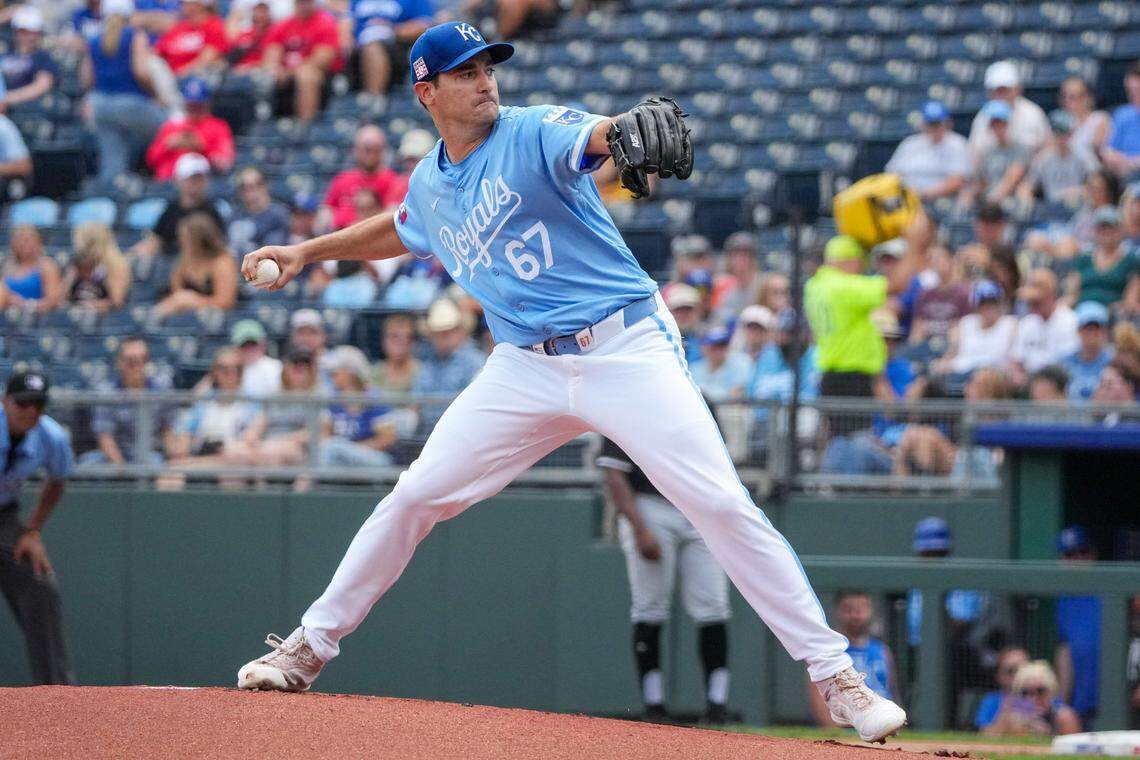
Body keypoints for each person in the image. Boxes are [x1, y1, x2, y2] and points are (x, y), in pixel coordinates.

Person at [236, 21, 907, 743]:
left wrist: (618, 132)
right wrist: (307, 250)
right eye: (465, 72)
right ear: (425, 92)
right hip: (525, 366)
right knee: (416, 495)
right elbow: (402, 227)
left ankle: (836, 675)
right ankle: (309, 647)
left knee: (718, 501)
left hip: (624, 346)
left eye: (489, 65)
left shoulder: (531, 131)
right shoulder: (431, 183)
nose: (485, 79)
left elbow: (595, 135)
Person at [597, 436, 733, 724]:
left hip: (697, 504)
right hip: (649, 504)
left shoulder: (700, 399)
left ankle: (717, 703)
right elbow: (614, 474)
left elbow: (718, 463)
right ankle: (653, 703)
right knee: (650, 607)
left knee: (714, 607)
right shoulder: (625, 402)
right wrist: (639, 528)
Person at [804, 228, 928, 421]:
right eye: (859, 262)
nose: (861, 269)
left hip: (831, 373)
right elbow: (898, 284)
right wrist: (914, 245)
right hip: (850, 376)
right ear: (847, 261)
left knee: (840, 438)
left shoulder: (815, 285)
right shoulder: (842, 286)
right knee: (852, 441)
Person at [0, 371, 76, 684]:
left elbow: (58, 481)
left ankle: (56, 693)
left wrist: (32, 531)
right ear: (5, 401)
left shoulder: (51, 436)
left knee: (39, 581)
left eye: (38, 404)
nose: (31, 410)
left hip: (4, 516)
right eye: (23, 403)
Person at [908, 517, 1008, 728]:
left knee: (953, 661)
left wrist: (940, 604)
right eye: (928, 553)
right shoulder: (912, 585)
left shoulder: (961, 582)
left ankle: (960, 725)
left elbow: (959, 625)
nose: (933, 558)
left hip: (960, 655)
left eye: (939, 553)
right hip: (916, 654)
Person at [83, 0, 168, 189]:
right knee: (170, 131)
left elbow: (87, 79)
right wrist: (156, 95)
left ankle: (114, 195)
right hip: (131, 103)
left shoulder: (94, 38)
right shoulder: (134, 35)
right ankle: (164, 183)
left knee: (112, 163)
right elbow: (141, 72)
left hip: (101, 105)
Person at [808, 591, 898, 727]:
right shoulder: (828, 651)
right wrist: (835, 734)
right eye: (848, 609)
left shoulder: (882, 650)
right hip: (849, 727)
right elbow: (818, 696)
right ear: (838, 612)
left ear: (871, 611)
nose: (856, 615)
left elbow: (892, 691)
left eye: (862, 609)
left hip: (883, 721)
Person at [80, 337, 175, 465]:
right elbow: (105, 438)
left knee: (158, 464)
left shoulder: (162, 390)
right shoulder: (106, 392)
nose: (138, 366)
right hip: (115, 453)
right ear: (120, 362)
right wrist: (122, 472)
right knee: (87, 463)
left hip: (149, 454)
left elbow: (167, 431)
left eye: (143, 360)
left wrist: (174, 459)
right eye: (131, 361)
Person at [411, 297, 486, 434]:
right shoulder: (429, 363)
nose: (443, 336)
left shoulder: (475, 362)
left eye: (448, 330)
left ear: (460, 330)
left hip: (460, 432)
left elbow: (475, 408)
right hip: (426, 433)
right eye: (438, 332)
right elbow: (415, 404)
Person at [131, 152, 227, 258]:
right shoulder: (171, 209)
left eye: (199, 178)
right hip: (170, 263)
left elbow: (220, 245)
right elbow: (156, 239)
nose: (195, 183)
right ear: (177, 180)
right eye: (190, 178)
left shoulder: (211, 211)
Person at [261, 0, 342, 125]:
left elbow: (322, 59)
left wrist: (290, 72)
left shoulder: (325, 23)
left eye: (307, 2)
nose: (303, 6)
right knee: (265, 76)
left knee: (306, 75)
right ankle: (264, 127)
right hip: (285, 73)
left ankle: (305, 126)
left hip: (319, 75)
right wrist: (275, 69)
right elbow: (271, 54)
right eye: (300, 3)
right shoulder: (283, 25)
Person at [319, 346, 397, 469]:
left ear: (350, 373)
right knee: (329, 450)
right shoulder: (333, 399)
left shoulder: (375, 399)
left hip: (374, 457)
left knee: (334, 447)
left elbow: (386, 440)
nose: (331, 376)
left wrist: (351, 449)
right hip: (338, 457)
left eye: (335, 372)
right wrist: (345, 451)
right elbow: (324, 434)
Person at [1054, 526, 1101, 730]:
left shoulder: (1111, 589)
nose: (1077, 559)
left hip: (1119, 700)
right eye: (1070, 554)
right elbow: (1066, 653)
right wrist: (1062, 703)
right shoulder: (1063, 600)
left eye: (1083, 552)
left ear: (1093, 555)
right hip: (1082, 705)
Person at [146, 77, 235, 182]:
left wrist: (202, 148)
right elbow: (150, 161)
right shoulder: (172, 126)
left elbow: (225, 163)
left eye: (198, 106)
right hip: (167, 184)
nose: (194, 109)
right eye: (190, 105)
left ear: (207, 104)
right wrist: (168, 145)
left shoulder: (218, 127)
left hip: (203, 186)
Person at [153, 212, 238, 317]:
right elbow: (177, 293)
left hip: (219, 317)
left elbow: (226, 302)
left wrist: (194, 300)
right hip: (188, 315)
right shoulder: (184, 259)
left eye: (185, 238)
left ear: (200, 239)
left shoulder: (222, 261)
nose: (180, 242)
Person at [885, 100, 971, 201]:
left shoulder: (956, 143)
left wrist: (922, 195)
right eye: (930, 123)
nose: (934, 128)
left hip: (941, 201)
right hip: (907, 199)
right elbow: (892, 174)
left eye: (937, 124)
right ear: (923, 124)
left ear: (947, 123)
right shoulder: (910, 143)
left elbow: (957, 181)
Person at [344, 0, 433, 96]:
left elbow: (424, 25)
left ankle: (373, 98)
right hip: (358, 47)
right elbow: (345, 22)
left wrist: (392, 29)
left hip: (397, 45)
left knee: (373, 48)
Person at [321, 125, 401, 231]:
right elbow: (326, 210)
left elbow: (391, 216)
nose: (371, 154)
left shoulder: (393, 181)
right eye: (366, 149)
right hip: (339, 237)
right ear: (355, 150)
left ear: (383, 150)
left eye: (375, 149)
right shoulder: (342, 179)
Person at [933, 280, 1017, 378]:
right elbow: (953, 353)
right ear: (976, 306)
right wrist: (943, 363)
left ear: (999, 303)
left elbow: (1013, 360)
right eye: (983, 303)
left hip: (993, 376)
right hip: (961, 372)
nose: (988, 307)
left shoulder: (1010, 324)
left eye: (992, 302)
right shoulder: (967, 322)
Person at [968, 60, 1050, 158]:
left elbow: (1047, 148)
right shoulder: (983, 117)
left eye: (1005, 90)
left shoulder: (1032, 113)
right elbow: (974, 154)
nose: (1000, 95)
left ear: (1018, 89)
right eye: (996, 91)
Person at [1009, 269, 1079, 384]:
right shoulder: (1027, 323)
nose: (1031, 306)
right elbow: (1016, 361)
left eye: (1037, 301)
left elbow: (1068, 363)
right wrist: (1017, 374)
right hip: (1029, 381)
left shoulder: (1069, 321)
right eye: (1030, 302)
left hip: (1057, 381)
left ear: (1051, 296)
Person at [1066, 206, 1140, 314]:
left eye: (1111, 227)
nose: (1106, 232)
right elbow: (1072, 293)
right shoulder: (1083, 258)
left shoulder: (1131, 261)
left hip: (1113, 314)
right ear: (1095, 231)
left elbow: (1131, 300)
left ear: (1120, 230)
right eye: (1102, 228)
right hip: (1083, 310)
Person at [1016, 110, 1098, 207]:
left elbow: (1098, 183)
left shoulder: (1084, 155)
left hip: (1077, 207)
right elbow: (1026, 185)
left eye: (1064, 133)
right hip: (1051, 209)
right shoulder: (1043, 158)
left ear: (1071, 133)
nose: (1061, 138)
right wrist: (1026, 200)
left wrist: (1078, 191)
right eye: (1057, 133)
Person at [987, 660, 1081, 736]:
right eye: (1025, 692)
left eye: (1040, 691)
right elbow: (987, 741)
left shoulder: (1063, 717)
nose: (1033, 698)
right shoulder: (1012, 717)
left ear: (1052, 692)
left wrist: (1046, 736)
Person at [962, 100, 1028, 208]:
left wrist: (993, 199)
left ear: (1008, 124)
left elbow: (1012, 179)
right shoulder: (989, 152)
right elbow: (982, 181)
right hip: (989, 200)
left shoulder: (1020, 149)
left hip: (1010, 200)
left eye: (1001, 123)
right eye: (994, 124)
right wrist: (969, 194)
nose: (998, 128)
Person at [62, 222, 131, 313]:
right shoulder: (77, 263)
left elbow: (116, 302)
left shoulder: (116, 265)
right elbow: (61, 297)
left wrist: (90, 305)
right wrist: (71, 276)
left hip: (103, 319)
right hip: (76, 314)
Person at [0, 7, 58, 108]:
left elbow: (42, 85)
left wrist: (6, 98)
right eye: (23, 32)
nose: (29, 37)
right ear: (15, 32)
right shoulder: (5, 53)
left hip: (26, 111)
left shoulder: (43, 56)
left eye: (33, 32)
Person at [153, 0, 228, 77]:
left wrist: (178, 75)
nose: (182, 5)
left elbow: (206, 60)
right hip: (169, 76)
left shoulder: (214, 25)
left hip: (194, 78)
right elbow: (157, 53)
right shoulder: (180, 27)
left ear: (200, 5)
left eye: (186, 3)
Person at [227, 167, 289, 258]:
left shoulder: (277, 215)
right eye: (244, 188)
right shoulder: (234, 215)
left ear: (265, 186)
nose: (250, 193)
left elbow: (271, 252)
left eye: (255, 186)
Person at [2, 226, 63, 314]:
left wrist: (26, 304)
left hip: (37, 319)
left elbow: (53, 301)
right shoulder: (8, 266)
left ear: (38, 243)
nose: (23, 244)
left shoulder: (46, 265)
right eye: (19, 240)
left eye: (27, 240)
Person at [1063, 302, 1115, 403]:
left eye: (1098, 328)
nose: (1093, 334)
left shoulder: (1115, 361)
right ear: (1078, 330)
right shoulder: (1064, 362)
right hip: (1070, 417)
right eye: (1088, 328)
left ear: (1105, 332)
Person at [689, 325, 752, 402]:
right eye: (714, 346)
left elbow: (737, 394)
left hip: (727, 410)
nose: (718, 351)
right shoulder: (695, 368)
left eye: (722, 346)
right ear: (704, 348)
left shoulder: (740, 362)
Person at [975, 645, 1031, 731]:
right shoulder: (991, 701)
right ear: (999, 676)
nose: (1018, 675)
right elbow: (986, 737)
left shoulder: (1043, 695)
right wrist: (1007, 709)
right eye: (1011, 671)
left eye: (1023, 669)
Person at [711, 231, 762, 319]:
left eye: (746, 253)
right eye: (736, 253)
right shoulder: (719, 284)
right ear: (728, 257)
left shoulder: (764, 284)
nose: (741, 258)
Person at [1102, 62, 1140, 179]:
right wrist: (1124, 161)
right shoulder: (1122, 114)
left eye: (1138, 91)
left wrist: (1133, 163)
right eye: (1130, 91)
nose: (1134, 95)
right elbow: (1107, 150)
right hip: (1124, 173)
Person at [1059, 77, 1110, 159]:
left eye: (1072, 97)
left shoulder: (1100, 119)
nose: (1067, 101)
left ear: (1087, 98)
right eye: (1064, 96)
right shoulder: (1062, 121)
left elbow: (1096, 151)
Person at [372, 313, 421, 395]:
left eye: (406, 337)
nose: (400, 342)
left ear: (413, 342)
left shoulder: (422, 374)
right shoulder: (373, 374)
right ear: (384, 340)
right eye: (394, 336)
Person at [230, 318, 282, 397]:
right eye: (244, 345)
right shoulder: (227, 369)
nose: (249, 349)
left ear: (263, 345)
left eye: (253, 344)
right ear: (235, 347)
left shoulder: (276, 367)